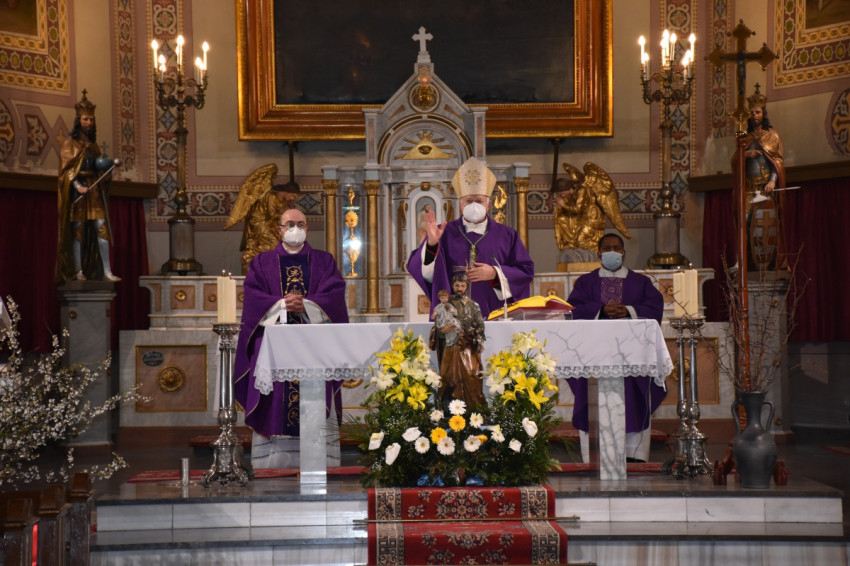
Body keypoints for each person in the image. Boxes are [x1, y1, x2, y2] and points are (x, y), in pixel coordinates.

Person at [234, 208, 348, 468]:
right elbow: (253, 297)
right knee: (273, 392)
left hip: (314, 345)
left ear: (307, 228)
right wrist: (280, 305)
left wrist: (306, 304)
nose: (295, 229)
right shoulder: (262, 262)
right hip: (275, 346)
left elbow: (334, 295)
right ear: (279, 229)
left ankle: (320, 458)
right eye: (289, 224)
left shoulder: (324, 261)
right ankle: (272, 460)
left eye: (301, 224)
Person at [566, 233, 666, 463]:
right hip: (595, 357)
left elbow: (655, 307)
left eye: (617, 248)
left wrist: (629, 311)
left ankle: (634, 454)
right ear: (599, 253)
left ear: (624, 252)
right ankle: (594, 454)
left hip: (632, 357)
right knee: (593, 402)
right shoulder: (585, 282)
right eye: (607, 248)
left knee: (634, 401)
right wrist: (600, 310)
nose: (612, 252)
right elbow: (572, 309)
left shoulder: (640, 282)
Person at [407, 157, 534, 319]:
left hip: (496, 315)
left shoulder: (507, 235)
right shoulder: (443, 233)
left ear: (488, 204)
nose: (474, 205)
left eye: (479, 201)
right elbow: (419, 269)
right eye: (469, 201)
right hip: (453, 320)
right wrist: (431, 244)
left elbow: (525, 272)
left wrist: (495, 274)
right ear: (460, 204)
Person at [56, 90, 120, 283]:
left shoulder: (94, 146)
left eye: (91, 119)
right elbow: (66, 171)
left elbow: (99, 168)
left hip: (94, 191)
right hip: (78, 193)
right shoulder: (69, 145)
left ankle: (107, 271)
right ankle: (78, 270)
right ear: (79, 120)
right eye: (85, 119)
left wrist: (106, 174)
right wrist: (77, 185)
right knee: (78, 232)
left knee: (102, 228)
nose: (89, 123)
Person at [731, 84, 786, 270]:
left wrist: (772, 180)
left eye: (758, 112)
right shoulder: (744, 138)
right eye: (752, 112)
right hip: (748, 189)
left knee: (765, 224)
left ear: (764, 113)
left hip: (764, 188)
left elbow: (777, 161)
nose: (754, 115)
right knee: (744, 224)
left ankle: (768, 262)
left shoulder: (773, 136)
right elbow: (734, 162)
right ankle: (743, 262)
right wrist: (744, 154)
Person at [225, 163, 301, 274]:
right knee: (274, 244)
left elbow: (280, 217)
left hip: (270, 224)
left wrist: (285, 213)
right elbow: (270, 215)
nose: (292, 199)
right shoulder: (272, 196)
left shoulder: (282, 201)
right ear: (287, 191)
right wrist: (284, 213)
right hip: (261, 224)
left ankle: (270, 267)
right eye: (292, 196)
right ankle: (250, 257)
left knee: (282, 243)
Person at [553, 162, 631, 266]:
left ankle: (596, 251)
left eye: (561, 193)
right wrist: (562, 207)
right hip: (583, 219)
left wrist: (563, 205)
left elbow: (577, 209)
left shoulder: (582, 190)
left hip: (592, 219)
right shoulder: (574, 193)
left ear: (566, 190)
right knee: (563, 220)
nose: (562, 196)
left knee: (580, 241)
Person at [432, 275, 486, 409]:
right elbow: (438, 323)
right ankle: (449, 409)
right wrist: (442, 330)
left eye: (462, 285)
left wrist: (475, 337)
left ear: (466, 286)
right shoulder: (445, 304)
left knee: (471, 373)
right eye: (457, 285)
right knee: (449, 377)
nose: (459, 288)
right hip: (451, 346)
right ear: (452, 286)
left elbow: (480, 325)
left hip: (467, 346)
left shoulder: (473, 305)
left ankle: (473, 408)